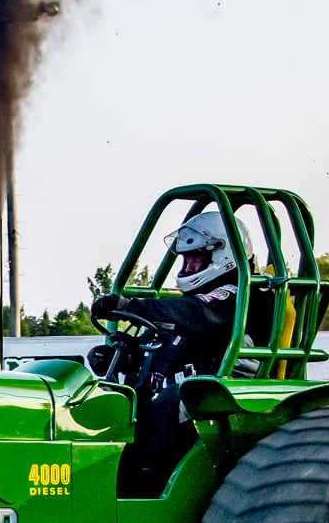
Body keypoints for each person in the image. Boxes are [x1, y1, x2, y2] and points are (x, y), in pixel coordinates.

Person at [90, 209, 249, 497]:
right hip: (184, 405)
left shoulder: (239, 297)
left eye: (196, 257)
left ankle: (142, 493)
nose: (188, 265)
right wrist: (122, 357)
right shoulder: (185, 308)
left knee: (172, 398)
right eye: (185, 259)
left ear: (221, 255)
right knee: (109, 399)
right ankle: (101, 486)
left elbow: (200, 313)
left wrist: (132, 306)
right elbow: (162, 347)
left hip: (222, 400)